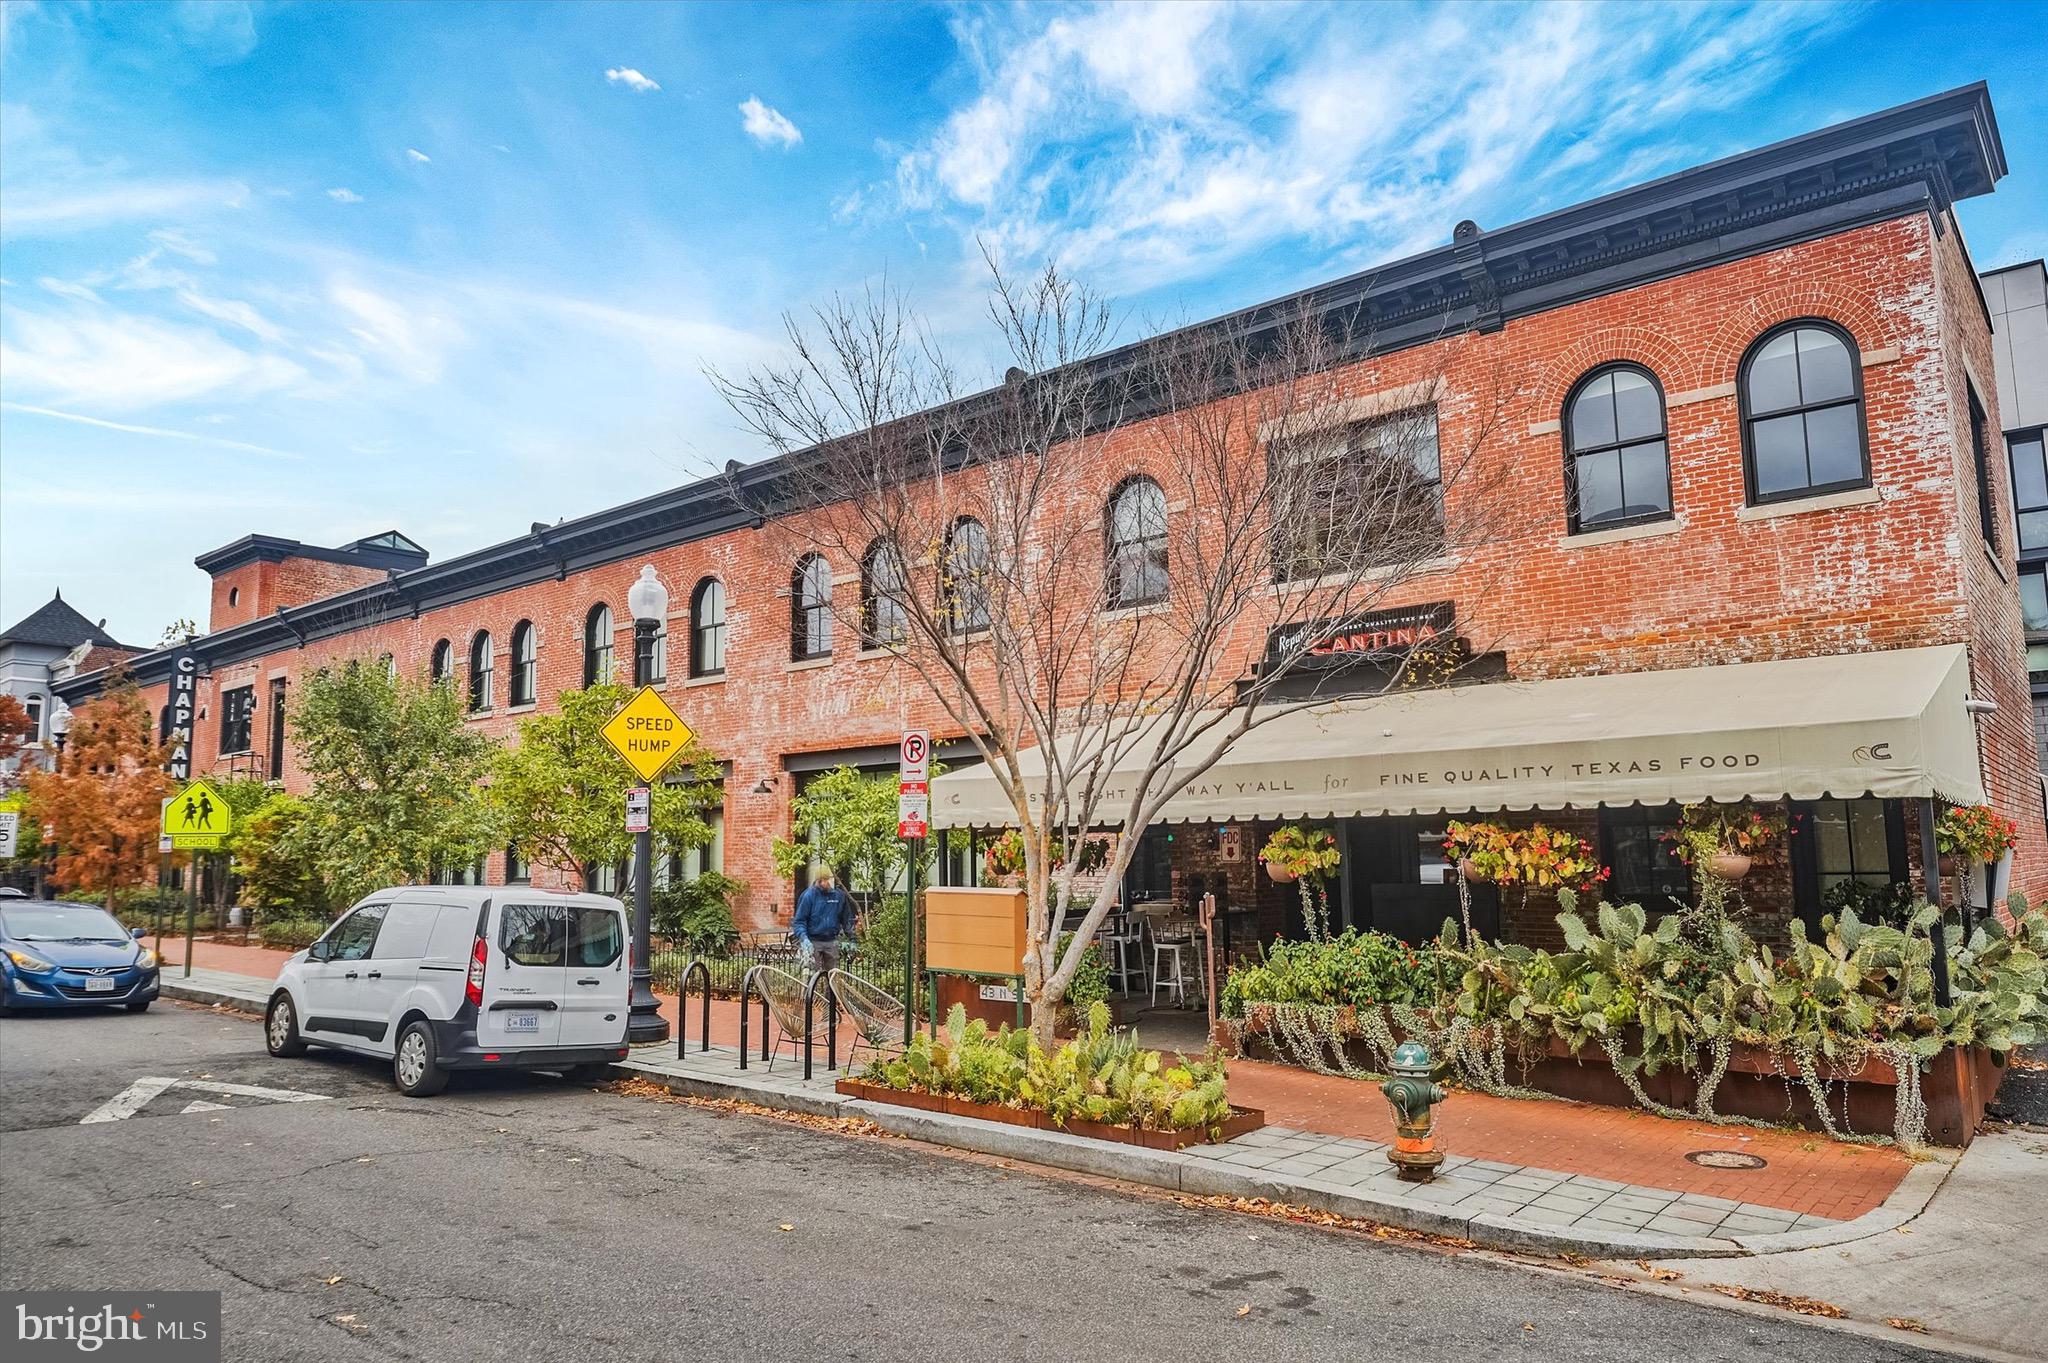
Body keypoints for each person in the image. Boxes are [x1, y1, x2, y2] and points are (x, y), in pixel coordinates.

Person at [792, 867, 854, 976]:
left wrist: (852, 939)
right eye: (823, 880)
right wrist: (804, 938)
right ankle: (809, 993)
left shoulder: (838, 896)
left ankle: (831, 994)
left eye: (827, 880)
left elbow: (847, 919)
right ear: (818, 881)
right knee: (810, 976)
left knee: (833, 976)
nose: (826, 883)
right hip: (813, 941)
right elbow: (799, 921)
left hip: (831, 941)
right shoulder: (808, 896)